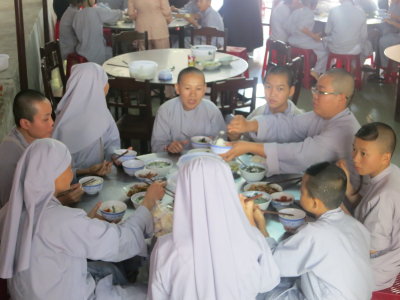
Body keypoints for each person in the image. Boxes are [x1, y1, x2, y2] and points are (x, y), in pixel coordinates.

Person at [0, 138, 165, 300]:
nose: (71, 171)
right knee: (155, 293)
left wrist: (85, 222)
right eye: (67, 166)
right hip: (68, 294)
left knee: (107, 269)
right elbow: (119, 242)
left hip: (33, 292)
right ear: (53, 173)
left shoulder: (11, 210)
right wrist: (147, 202)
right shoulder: (62, 220)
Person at [147, 155, 280, 299]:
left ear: (182, 192)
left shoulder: (164, 249)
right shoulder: (253, 239)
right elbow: (269, 282)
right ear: (228, 188)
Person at [257, 162, 374, 299]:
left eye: (302, 192)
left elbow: (272, 265)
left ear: (315, 203)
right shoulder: (356, 225)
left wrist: (261, 227)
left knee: (258, 285)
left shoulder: (314, 233)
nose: (299, 195)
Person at [222, 68, 360, 178]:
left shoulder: (343, 130)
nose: (314, 95)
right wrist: (249, 125)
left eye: (321, 92)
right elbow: (289, 124)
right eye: (315, 89)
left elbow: (301, 155)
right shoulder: (321, 116)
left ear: (341, 98)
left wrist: (249, 147)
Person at [337, 122, 400, 290]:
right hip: (373, 256)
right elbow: (365, 209)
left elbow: (372, 249)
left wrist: (339, 211)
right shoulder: (390, 171)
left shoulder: (385, 196)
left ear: (385, 157)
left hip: (375, 271)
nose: (355, 158)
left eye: (363, 153)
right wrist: (348, 187)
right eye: (354, 149)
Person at [0, 90, 83, 208]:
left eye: (51, 116)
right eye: (45, 119)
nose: (52, 123)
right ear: (25, 123)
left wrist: (87, 171)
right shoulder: (10, 156)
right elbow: (13, 212)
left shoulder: (35, 136)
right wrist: (59, 201)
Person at [52, 62, 120, 178]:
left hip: (99, 178)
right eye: (104, 81)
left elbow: (111, 141)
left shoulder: (101, 110)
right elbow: (56, 172)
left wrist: (115, 155)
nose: (107, 85)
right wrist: (88, 171)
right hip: (71, 187)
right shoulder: (65, 124)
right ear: (93, 86)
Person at [151, 67, 225, 153]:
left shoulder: (212, 110)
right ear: (177, 88)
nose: (193, 94)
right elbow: (156, 146)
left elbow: (222, 141)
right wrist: (168, 147)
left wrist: (214, 142)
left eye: (198, 89)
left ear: (204, 89)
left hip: (205, 159)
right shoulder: (165, 110)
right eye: (187, 88)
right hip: (175, 160)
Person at [230, 65, 303, 142]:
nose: (272, 94)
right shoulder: (259, 111)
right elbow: (244, 137)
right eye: (268, 87)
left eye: (280, 89)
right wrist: (235, 136)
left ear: (291, 91)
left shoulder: (299, 121)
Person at [287, 0, 328, 78]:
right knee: (325, 48)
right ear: (314, 4)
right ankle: (316, 71)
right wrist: (314, 36)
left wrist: (312, 36)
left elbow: (287, 26)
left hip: (292, 40)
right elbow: (301, 27)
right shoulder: (309, 12)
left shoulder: (297, 11)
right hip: (302, 42)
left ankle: (305, 68)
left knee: (319, 46)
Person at [72, 0, 122, 64]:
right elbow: (114, 15)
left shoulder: (77, 15)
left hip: (81, 53)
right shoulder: (96, 11)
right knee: (115, 52)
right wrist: (123, 12)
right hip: (97, 55)